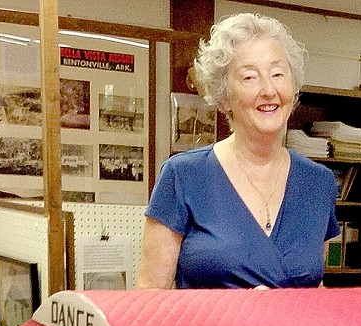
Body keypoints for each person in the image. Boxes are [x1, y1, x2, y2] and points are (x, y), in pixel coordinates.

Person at [136, 13, 339, 289]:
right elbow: (150, 297)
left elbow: (316, 288)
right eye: (249, 77)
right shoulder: (183, 175)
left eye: (278, 74)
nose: (269, 90)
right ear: (224, 97)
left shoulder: (319, 183)